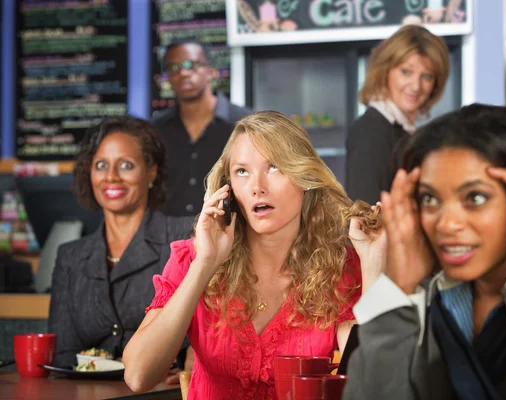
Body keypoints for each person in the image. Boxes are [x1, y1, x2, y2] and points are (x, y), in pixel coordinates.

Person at [344, 104, 506, 399]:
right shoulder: (433, 297)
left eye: (475, 197)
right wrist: (397, 287)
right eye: (430, 198)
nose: (447, 223)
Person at [122, 111, 382, 399]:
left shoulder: (340, 266)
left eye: (274, 167)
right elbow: (138, 376)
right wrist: (205, 264)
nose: (257, 187)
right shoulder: (191, 258)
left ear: (304, 177)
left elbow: (371, 384)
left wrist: (372, 265)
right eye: (242, 172)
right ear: (229, 188)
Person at [48, 116, 195, 367]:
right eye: (101, 165)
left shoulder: (185, 236)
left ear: (151, 171)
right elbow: (63, 354)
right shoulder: (70, 257)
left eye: (126, 165)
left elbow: (212, 333)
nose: (111, 177)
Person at [346, 24, 449, 204]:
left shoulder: (407, 132)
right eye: (406, 72)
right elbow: (365, 214)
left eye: (426, 76)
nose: (416, 86)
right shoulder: (370, 131)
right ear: (385, 71)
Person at [152, 38, 252, 217]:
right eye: (174, 68)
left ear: (212, 72)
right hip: (169, 239)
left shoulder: (245, 124)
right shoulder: (155, 130)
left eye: (192, 65)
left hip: (230, 236)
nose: (183, 72)